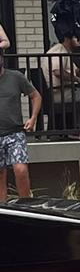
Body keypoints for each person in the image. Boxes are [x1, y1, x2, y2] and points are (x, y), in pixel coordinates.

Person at [0, 51, 41, 200]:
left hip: (15, 132)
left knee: (21, 169)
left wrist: (33, 118)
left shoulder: (15, 77)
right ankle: (3, 212)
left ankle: (26, 206)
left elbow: (35, 96)